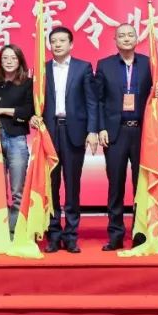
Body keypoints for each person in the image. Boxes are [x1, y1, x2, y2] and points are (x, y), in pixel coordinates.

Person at [32, 26, 98, 254]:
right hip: (49, 133)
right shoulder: (42, 69)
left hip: (74, 132)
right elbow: (35, 100)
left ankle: (71, 235)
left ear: (71, 44)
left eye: (62, 40)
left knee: (72, 186)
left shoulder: (83, 68)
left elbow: (91, 101)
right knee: (51, 186)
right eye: (54, 41)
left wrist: (92, 130)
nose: (58, 44)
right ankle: (53, 234)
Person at [95, 23, 155, 251]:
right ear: (115, 40)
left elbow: (154, 95)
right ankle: (115, 234)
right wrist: (101, 128)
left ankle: (140, 233)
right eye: (122, 35)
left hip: (142, 132)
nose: (126, 38)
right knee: (116, 185)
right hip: (115, 132)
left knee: (142, 184)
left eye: (130, 35)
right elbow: (98, 100)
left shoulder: (148, 64)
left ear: (137, 38)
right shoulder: (105, 65)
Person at [0, 44, 34, 234]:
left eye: (13, 58)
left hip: (16, 139)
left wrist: (1, 111)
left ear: (20, 61)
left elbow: (28, 111)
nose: (9, 61)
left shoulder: (27, 83)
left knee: (17, 190)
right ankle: (0, 231)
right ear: (0, 61)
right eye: (5, 58)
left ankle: (16, 231)